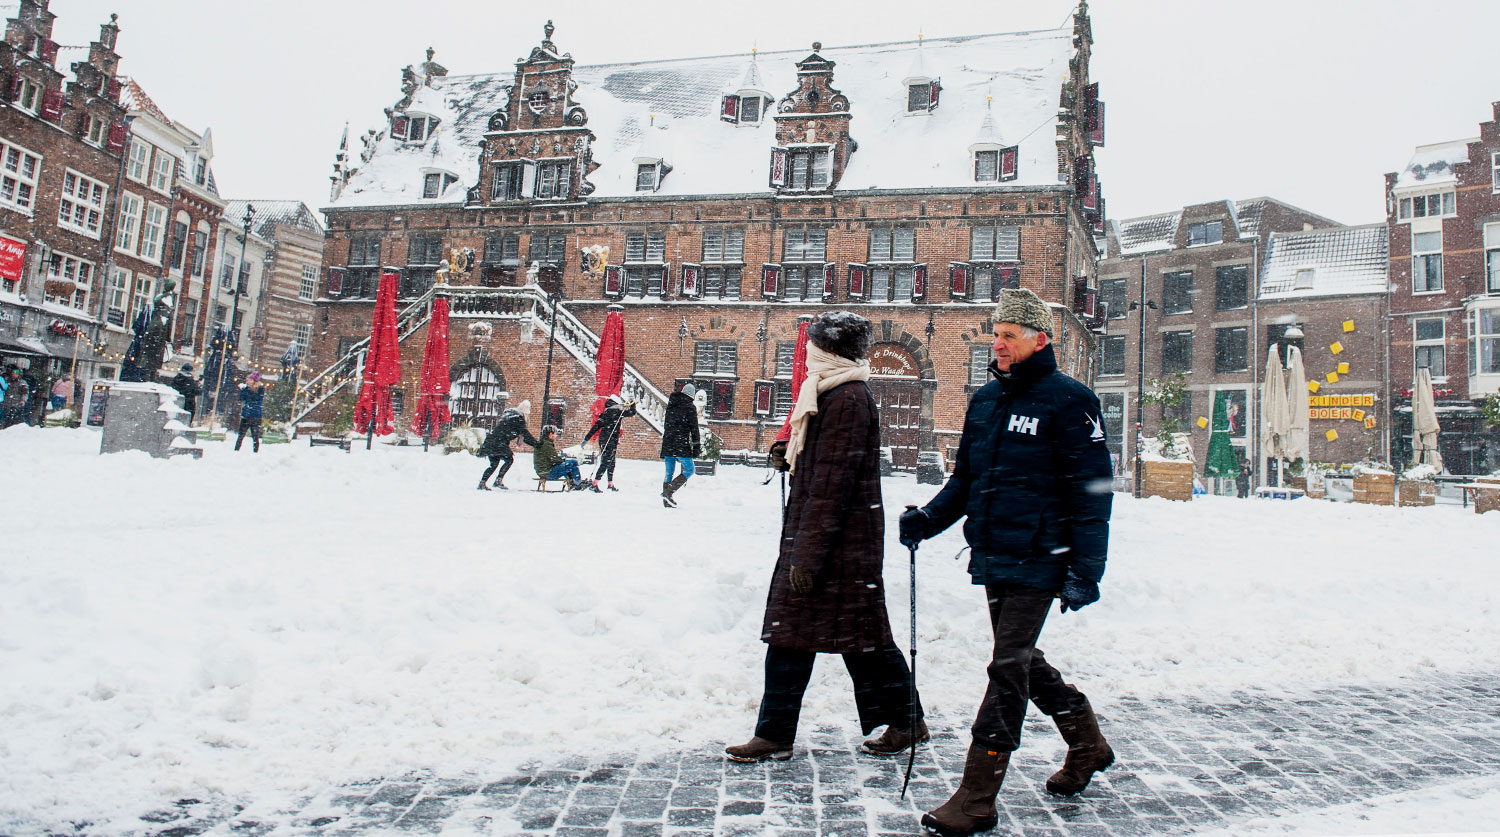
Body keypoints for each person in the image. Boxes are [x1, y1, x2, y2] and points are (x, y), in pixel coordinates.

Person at [899, 288, 1114, 837]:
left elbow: (1093, 491)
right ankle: (1087, 743)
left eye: (1009, 336)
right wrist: (928, 519)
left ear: (1040, 340)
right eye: (995, 334)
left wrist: (1085, 569)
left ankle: (976, 795)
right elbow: (966, 481)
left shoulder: (1071, 400)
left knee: (1007, 668)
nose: (997, 344)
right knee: (1019, 660)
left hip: (1045, 553)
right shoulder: (986, 401)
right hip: (995, 551)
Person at [726, 311, 927, 764]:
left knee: (844, 638)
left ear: (829, 351)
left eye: (815, 346)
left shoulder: (848, 399)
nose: (808, 353)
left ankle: (782, 733)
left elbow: (834, 482)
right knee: (818, 637)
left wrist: (808, 555)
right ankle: (899, 720)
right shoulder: (828, 393)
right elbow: (821, 464)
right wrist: (788, 453)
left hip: (838, 546)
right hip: (829, 540)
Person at [477, 399, 538, 490]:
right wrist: (536, 444)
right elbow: (525, 434)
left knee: (493, 464)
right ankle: (498, 480)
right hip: (499, 443)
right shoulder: (518, 418)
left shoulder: (510, 416)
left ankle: (483, 483)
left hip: (491, 441)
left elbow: (520, 433)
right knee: (509, 459)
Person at [582, 393, 637, 491]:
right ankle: (595, 483)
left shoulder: (610, 413)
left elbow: (596, 427)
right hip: (608, 440)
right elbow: (632, 412)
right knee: (607, 461)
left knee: (610, 461)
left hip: (609, 439)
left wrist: (586, 439)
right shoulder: (616, 412)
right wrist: (633, 403)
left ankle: (609, 484)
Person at [660, 383, 702, 508]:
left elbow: (667, 423)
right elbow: (694, 428)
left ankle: (666, 500)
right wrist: (696, 446)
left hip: (668, 442)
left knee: (669, 472)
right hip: (681, 443)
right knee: (690, 469)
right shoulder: (690, 407)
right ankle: (668, 492)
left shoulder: (672, 404)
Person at [532, 425, 591, 491]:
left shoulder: (542, 442)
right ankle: (578, 483)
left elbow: (551, 458)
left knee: (565, 464)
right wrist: (563, 460)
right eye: (555, 434)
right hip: (548, 473)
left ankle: (573, 483)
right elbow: (554, 459)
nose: (556, 436)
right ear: (550, 434)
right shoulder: (546, 444)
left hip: (542, 472)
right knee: (573, 462)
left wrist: (562, 459)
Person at [236, 372, 268, 452]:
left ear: (254, 381)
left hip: (255, 416)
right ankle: (236, 450)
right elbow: (242, 398)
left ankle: (255, 451)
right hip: (246, 415)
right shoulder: (246, 389)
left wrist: (248, 390)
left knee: (255, 436)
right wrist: (244, 390)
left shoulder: (260, 389)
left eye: (250, 379)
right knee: (241, 435)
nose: (248, 381)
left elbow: (255, 399)